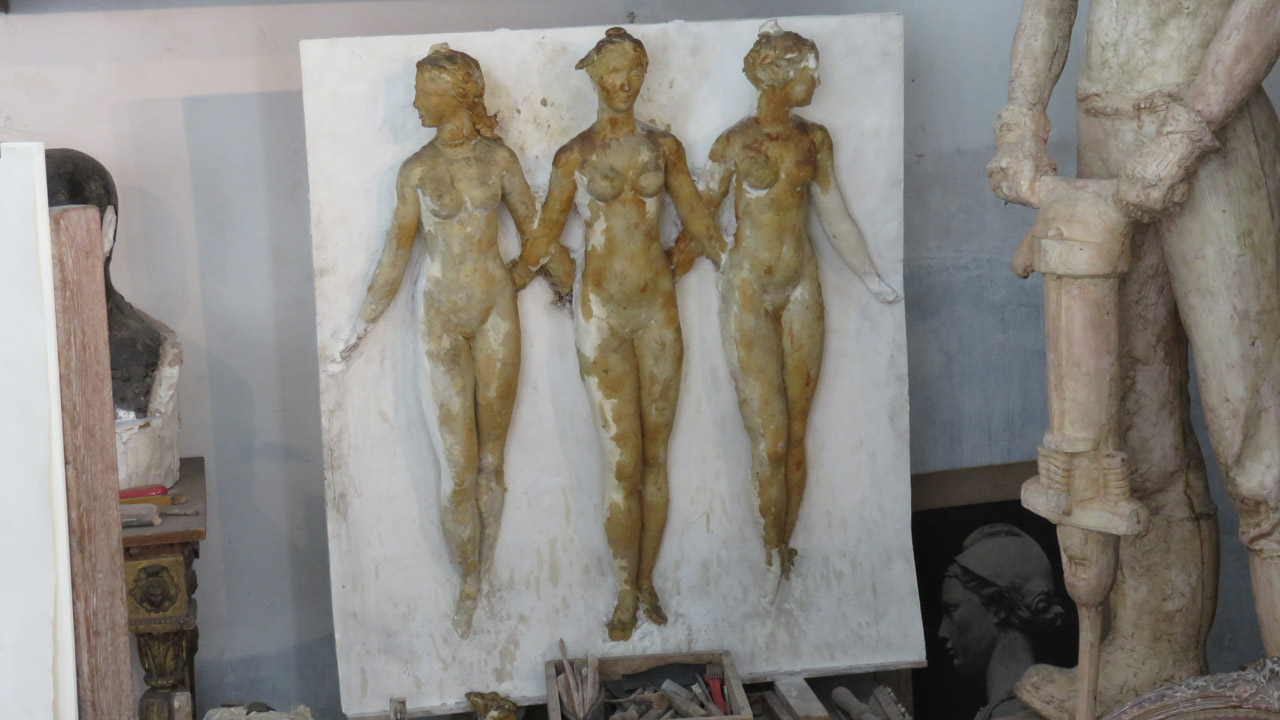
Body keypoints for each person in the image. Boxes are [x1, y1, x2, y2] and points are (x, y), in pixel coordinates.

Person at [988, 1, 1280, 715]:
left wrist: (1186, 131)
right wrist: (1020, 121)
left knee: (1259, 441)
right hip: (1108, 133)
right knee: (1131, 435)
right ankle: (1153, 659)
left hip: (1212, 128)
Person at [510, 27, 721, 642]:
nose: (624, 82)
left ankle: (647, 580)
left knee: (657, 457)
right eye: (613, 72)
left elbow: (698, 219)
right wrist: (513, 279)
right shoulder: (574, 156)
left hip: (657, 311)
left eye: (634, 70)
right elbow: (545, 235)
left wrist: (722, 259)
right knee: (622, 461)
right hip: (601, 315)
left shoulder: (664, 148)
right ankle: (624, 589)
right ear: (594, 77)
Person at [683, 24, 899, 578]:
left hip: (802, 283)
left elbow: (834, 213)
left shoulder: (814, 139)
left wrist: (869, 276)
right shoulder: (734, 142)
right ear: (778, 73)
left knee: (798, 433)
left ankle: (785, 547)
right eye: (810, 71)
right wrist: (715, 260)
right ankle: (768, 548)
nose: (817, 81)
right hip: (749, 291)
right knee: (771, 439)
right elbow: (700, 214)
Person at [347, 44, 539, 639]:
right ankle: (468, 579)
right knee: (457, 467)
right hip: (441, 320)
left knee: (492, 461)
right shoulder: (416, 171)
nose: (415, 103)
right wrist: (359, 325)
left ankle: (485, 571)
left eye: (424, 93)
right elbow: (396, 254)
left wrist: (537, 278)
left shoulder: (499, 159)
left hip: (496, 313)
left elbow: (536, 231)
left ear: (455, 96)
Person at [939, 524, 1065, 720]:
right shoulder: (1005, 710)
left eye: (952, 610)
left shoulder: (1014, 713)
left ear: (998, 608)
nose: (942, 631)